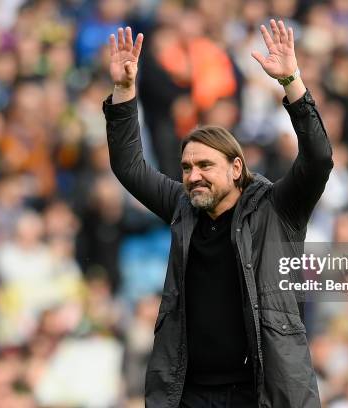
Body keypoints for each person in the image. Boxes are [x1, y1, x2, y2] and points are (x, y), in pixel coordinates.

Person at [103, 20, 333, 408]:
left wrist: (292, 82)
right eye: (187, 168)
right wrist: (125, 92)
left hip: (261, 393)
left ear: (236, 168)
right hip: (189, 393)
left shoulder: (279, 208)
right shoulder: (182, 206)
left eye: (205, 166)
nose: (194, 177)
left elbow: (320, 158)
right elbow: (130, 167)